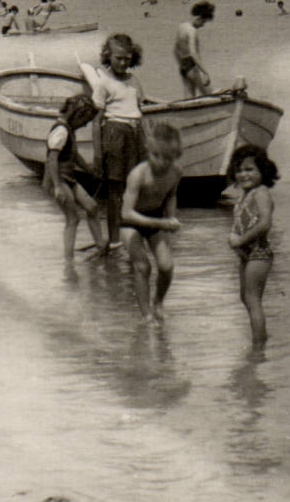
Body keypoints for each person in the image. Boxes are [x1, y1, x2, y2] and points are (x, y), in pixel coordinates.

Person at [82, 33, 148, 248]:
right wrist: (98, 154)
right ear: (108, 57)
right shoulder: (104, 83)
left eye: (127, 59)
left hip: (135, 134)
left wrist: (147, 144)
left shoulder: (134, 81)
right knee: (115, 191)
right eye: (118, 58)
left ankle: (132, 235)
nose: (122, 63)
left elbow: (141, 113)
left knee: (135, 188)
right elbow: (96, 121)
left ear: (133, 58)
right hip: (115, 135)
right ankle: (114, 240)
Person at [121, 122, 184, 322]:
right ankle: (146, 315)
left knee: (166, 266)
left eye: (167, 158)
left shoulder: (176, 172)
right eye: (155, 155)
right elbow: (126, 213)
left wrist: (171, 217)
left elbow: (171, 195)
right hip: (131, 223)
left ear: (176, 156)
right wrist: (161, 224)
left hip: (155, 218)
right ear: (148, 150)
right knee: (143, 266)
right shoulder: (138, 174)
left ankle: (158, 303)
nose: (161, 162)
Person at [43, 94, 108, 259]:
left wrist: (89, 170)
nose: (85, 125)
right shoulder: (61, 130)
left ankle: (100, 245)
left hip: (69, 179)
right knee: (73, 218)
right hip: (58, 180)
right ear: (77, 115)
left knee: (92, 207)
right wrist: (57, 186)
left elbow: (75, 155)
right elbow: (52, 159)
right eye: (85, 121)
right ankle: (68, 260)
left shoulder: (69, 130)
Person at [228, 144, 278, 347]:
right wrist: (233, 236)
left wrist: (240, 240)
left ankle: (258, 346)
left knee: (253, 300)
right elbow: (242, 221)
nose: (243, 175)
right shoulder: (245, 195)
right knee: (246, 297)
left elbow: (265, 223)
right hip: (246, 254)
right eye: (239, 170)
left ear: (262, 171)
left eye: (249, 169)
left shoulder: (261, 193)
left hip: (259, 253)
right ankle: (260, 337)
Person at [174, 1, 214, 96]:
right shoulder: (192, 31)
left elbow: (175, 50)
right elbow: (193, 53)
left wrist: (181, 64)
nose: (202, 25)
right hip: (192, 65)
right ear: (199, 18)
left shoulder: (182, 26)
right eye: (203, 22)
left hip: (183, 65)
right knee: (209, 94)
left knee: (189, 97)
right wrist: (205, 72)